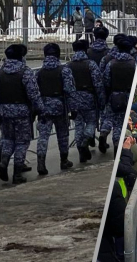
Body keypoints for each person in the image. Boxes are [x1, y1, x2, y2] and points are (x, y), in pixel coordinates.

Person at [0, 44, 44, 184]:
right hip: (22, 112)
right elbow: (33, 94)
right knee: (22, 142)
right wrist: (39, 109)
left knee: (8, 139)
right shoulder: (25, 71)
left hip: (4, 111)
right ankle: (17, 173)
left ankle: (3, 163)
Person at [35, 43, 76, 175]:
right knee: (62, 135)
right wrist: (73, 108)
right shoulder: (64, 70)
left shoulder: (39, 72)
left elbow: (34, 91)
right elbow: (70, 91)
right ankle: (64, 160)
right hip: (60, 106)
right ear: (58, 54)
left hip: (44, 107)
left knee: (43, 136)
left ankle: (41, 162)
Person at [67, 39, 105, 163]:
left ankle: (81, 152)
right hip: (89, 98)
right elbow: (98, 84)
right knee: (91, 122)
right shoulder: (91, 64)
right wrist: (101, 100)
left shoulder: (68, 66)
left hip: (74, 99)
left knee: (78, 125)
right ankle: (85, 141)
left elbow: (66, 86)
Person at [103, 36, 137, 153]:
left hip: (115, 96)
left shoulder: (111, 63)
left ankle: (115, 141)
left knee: (116, 122)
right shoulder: (134, 63)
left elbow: (106, 80)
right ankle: (120, 146)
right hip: (128, 96)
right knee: (123, 122)